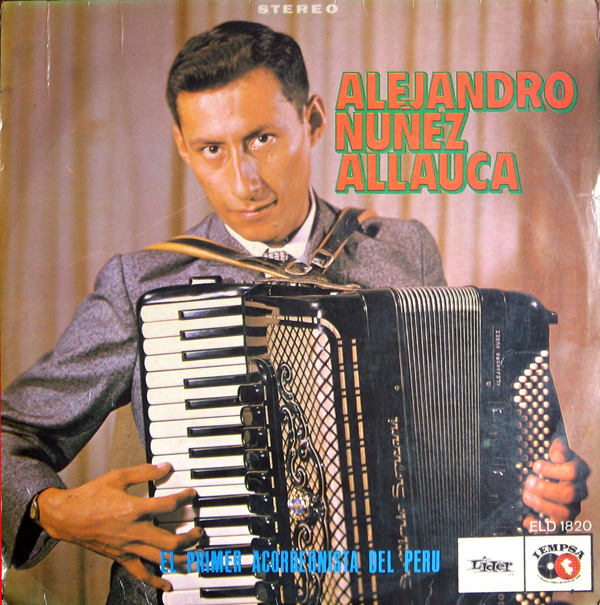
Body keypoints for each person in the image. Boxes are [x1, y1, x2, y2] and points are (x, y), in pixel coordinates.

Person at [1, 20, 589, 604]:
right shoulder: (146, 284)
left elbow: (461, 427)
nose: (243, 182)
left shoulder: (402, 250)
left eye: (261, 139)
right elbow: (11, 433)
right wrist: (55, 511)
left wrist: (537, 475)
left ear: (313, 120)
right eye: (212, 149)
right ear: (182, 145)